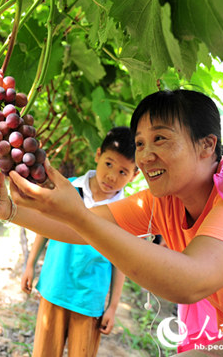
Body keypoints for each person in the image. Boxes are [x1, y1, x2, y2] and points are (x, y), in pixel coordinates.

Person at [0, 90, 223, 357]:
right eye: (141, 143)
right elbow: (80, 230)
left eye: (161, 139)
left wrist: (78, 213)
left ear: (207, 145)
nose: (144, 156)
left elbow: (192, 280)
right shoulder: (163, 202)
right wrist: (7, 209)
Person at [21, 127, 138, 357]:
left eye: (123, 172)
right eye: (109, 164)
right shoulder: (69, 189)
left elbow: (120, 263)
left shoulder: (125, 213)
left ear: (135, 176)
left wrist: (112, 306)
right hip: (54, 286)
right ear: (98, 156)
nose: (112, 176)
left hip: (89, 299)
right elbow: (45, 228)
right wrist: (30, 264)